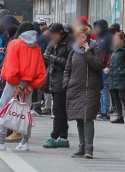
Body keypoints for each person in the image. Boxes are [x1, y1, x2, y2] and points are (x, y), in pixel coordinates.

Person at [0, 22, 46, 151]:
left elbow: (12, 66)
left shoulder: (15, 44)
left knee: (3, 107)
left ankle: (0, 140)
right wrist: (32, 84)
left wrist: (15, 82)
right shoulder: (36, 47)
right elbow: (41, 70)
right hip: (29, 84)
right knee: (26, 111)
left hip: (14, 83)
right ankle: (24, 142)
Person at [63, 25, 103, 158]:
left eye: (81, 37)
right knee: (79, 119)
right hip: (75, 89)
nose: (78, 39)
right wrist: (66, 83)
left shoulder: (95, 49)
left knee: (87, 118)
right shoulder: (73, 51)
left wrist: (87, 53)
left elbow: (98, 66)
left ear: (86, 37)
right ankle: (81, 147)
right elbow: (67, 68)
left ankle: (89, 149)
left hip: (89, 90)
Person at [43, 23, 73, 148]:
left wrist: (54, 59)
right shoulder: (53, 43)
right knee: (60, 110)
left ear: (61, 33)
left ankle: (54, 136)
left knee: (58, 110)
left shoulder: (69, 44)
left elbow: (69, 63)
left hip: (64, 80)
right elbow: (46, 55)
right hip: (54, 78)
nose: (53, 37)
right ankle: (63, 137)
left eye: (54, 34)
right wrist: (46, 58)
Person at [107, 31, 125, 124]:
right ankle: (120, 116)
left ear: (121, 40)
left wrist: (122, 72)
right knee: (116, 97)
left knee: (122, 96)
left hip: (121, 78)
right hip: (113, 78)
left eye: (116, 39)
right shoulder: (114, 50)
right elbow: (112, 63)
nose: (114, 41)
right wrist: (108, 69)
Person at [93, 19, 113, 120]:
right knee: (101, 90)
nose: (95, 30)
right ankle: (102, 110)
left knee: (104, 90)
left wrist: (108, 66)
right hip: (99, 67)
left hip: (105, 68)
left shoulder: (108, 37)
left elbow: (111, 53)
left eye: (97, 27)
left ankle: (105, 112)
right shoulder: (99, 38)